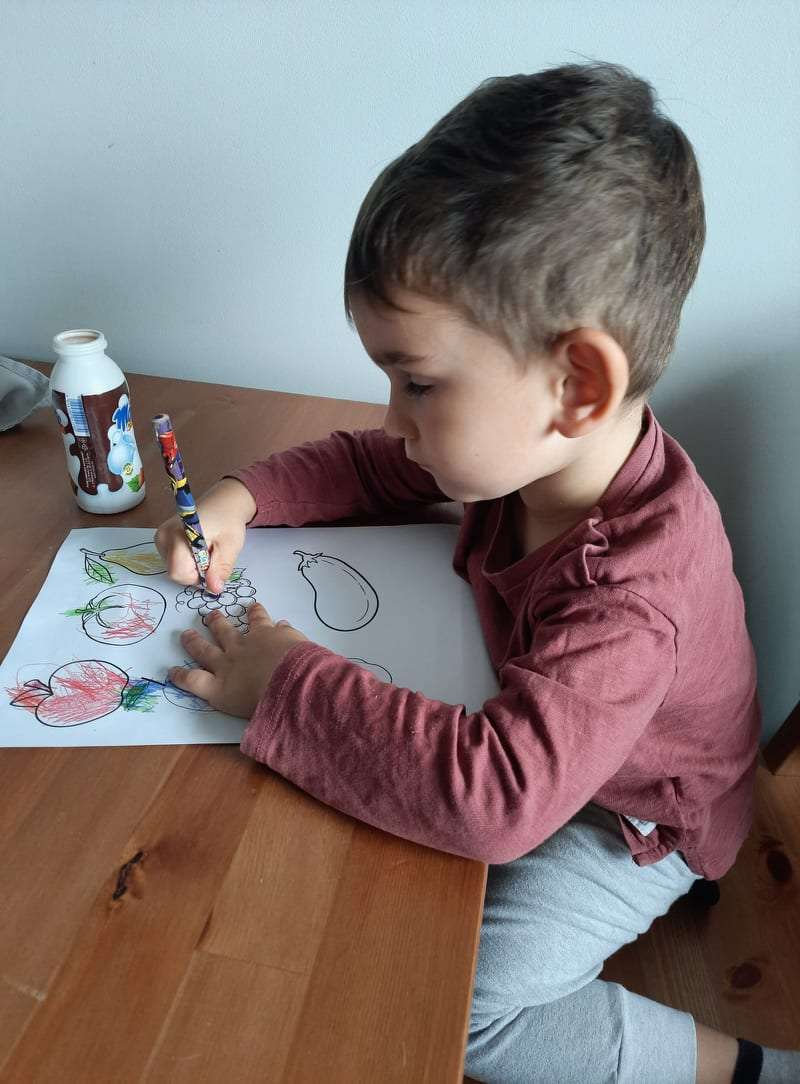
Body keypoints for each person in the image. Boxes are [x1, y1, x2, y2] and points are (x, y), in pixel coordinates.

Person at [155, 62, 797, 1083]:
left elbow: (496, 799)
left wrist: (282, 683)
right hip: (545, 738)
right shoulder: (530, 448)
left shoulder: (633, 596)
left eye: (415, 383)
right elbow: (373, 465)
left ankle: (740, 1068)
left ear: (575, 385)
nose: (392, 419)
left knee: (454, 1005)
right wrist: (243, 497)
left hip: (636, 815)